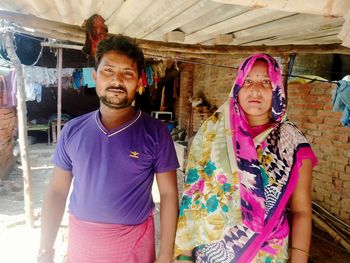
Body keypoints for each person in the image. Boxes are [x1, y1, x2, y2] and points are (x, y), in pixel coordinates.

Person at [38, 35, 179, 263]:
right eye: (108, 70)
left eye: (128, 73)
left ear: (140, 81)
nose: (117, 80)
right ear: (95, 76)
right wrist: (45, 249)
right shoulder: (73, 131)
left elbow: (168, 193)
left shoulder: (155, 132)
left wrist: (165, 254)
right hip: (82, 242)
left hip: (134, 245)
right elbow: (57, 190)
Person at [174, 54, 317, 263]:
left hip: (267, 252)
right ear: (238, 87)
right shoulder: (213, 132)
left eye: (266, 82)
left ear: (277, 88)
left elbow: (302, 210)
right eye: (248, 81)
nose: (255, 90)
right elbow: (193, 194)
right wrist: (184, 254)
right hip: (211, 252)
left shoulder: (292, 142)